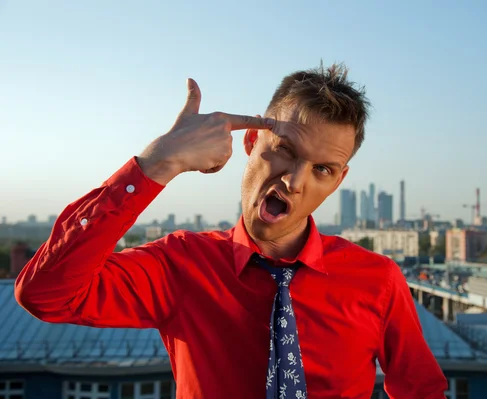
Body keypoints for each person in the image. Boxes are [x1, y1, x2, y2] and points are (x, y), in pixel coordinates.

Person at [15, 63, 447, 398]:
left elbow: (421, 390)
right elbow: (45, 294)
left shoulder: (378, 280)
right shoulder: (180, 265)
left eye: (321, 169)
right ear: (250, 143)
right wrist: (157, 164)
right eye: (284, 151)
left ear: (337, 180)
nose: (295, 181)